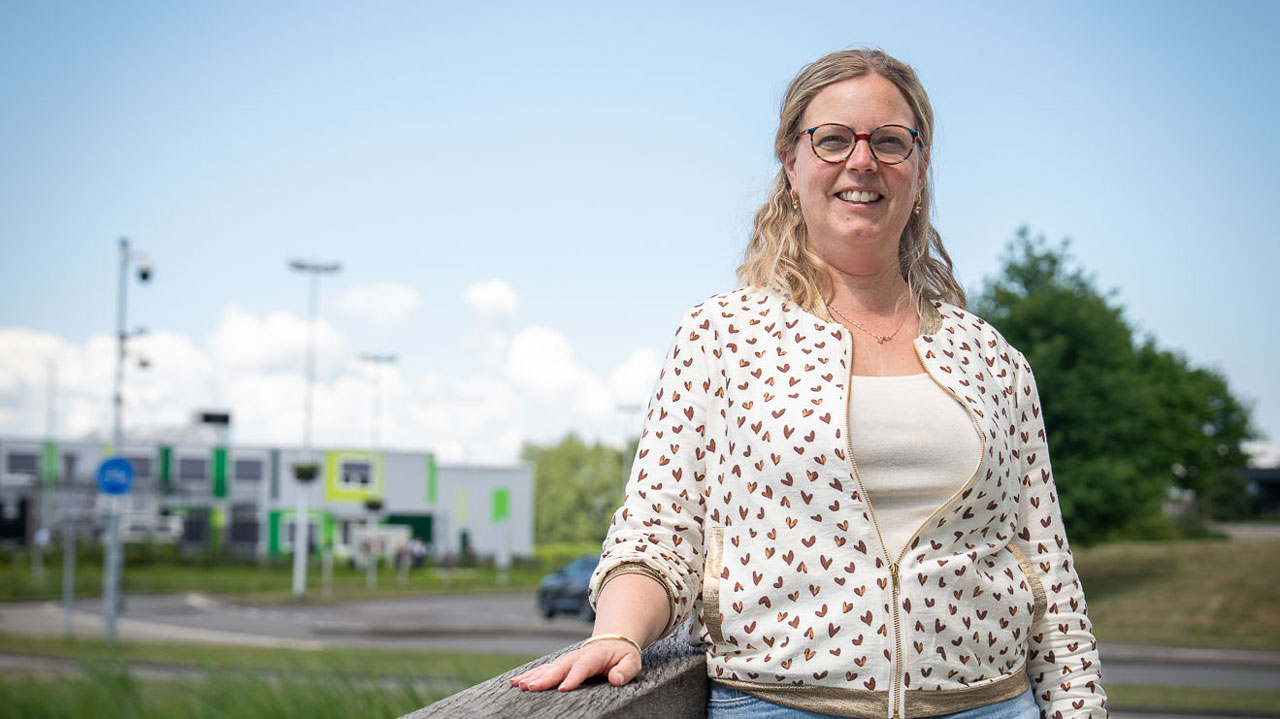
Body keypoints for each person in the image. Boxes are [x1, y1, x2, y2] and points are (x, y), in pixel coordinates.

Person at [512, 48, 1106, 719]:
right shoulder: (723, 336)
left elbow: (1050, 575)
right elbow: (660, 529)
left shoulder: (995, 361)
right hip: (778, 705)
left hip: (991, 706)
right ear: (790, 166)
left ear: (920, 167)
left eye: (889, 141)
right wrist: (617, 632)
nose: (862, 161)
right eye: (831, 140)